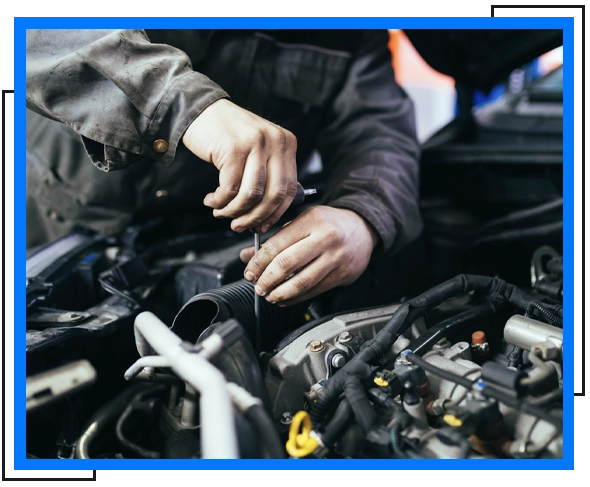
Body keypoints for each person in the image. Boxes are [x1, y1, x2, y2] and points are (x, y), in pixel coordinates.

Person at [26, 29, 424, 310]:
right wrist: (180, 103)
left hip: (217, 245)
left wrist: (363, 216)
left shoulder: (347, 25)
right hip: (50, 230)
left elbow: (377, 130)